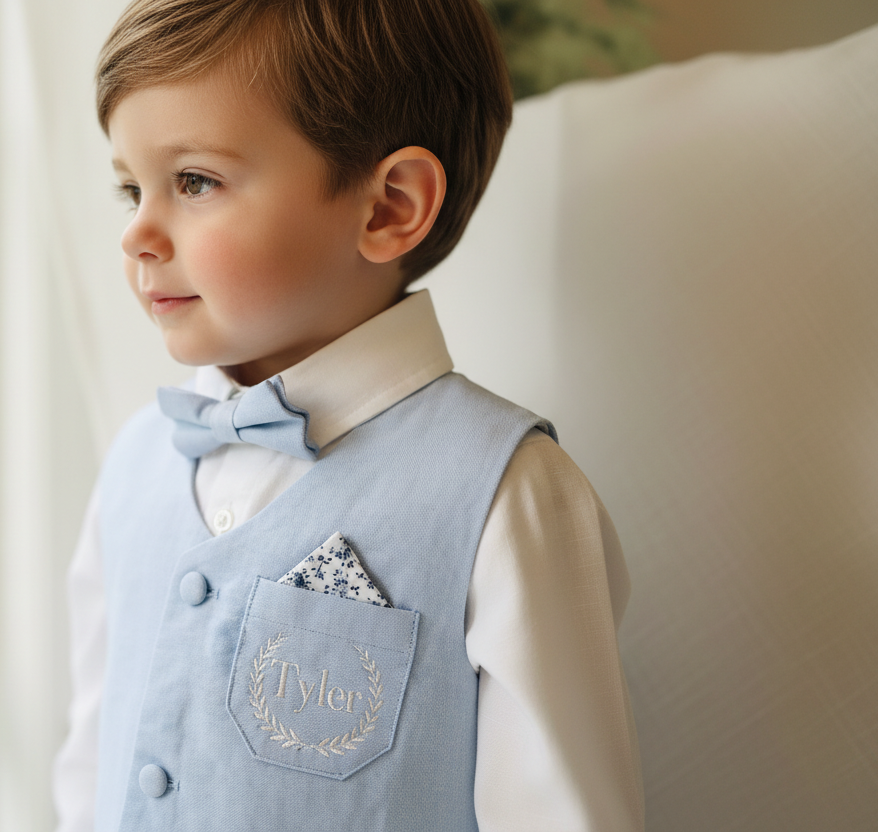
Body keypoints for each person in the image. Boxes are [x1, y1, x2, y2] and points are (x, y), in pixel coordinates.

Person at [54, 0, 644, 829]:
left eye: (194, 181)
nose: (138, 235)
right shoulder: (134, 463)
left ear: (388, 208)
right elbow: (90, 760)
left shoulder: (503, 494)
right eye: (130, 188)